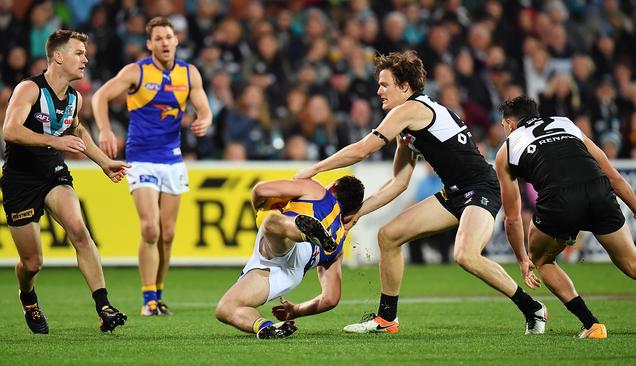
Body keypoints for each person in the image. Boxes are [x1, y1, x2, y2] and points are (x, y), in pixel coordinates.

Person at [295, 50, 546, 335]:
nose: (378, 91)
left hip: (480, 189)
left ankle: (533, 308)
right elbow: (398, 183)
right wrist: (357, 213)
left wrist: (313, 170)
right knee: (388, 236)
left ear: (405, 87)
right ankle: (386, 319)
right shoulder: (407, 124)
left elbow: (363, 149)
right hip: (455, 193)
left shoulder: (411, 110)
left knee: (465, 255)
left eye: (384, 84)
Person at [1, 30, 129, 333]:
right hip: (20, 179)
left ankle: (104, 306)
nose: (85, 58)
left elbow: (78, 131)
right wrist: (53, 142)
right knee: (32, 263)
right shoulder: (29, 89)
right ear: (58, 57)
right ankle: (28, 296)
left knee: (79, 231)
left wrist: (104, 163)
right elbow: (10, 130)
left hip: (53, 173)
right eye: (78, 53)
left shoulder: (75, 97)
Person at [495, 95, 636, 339]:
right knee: (633, 262)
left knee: (542, 260)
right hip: (598, 190)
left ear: (511, 125)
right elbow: (613, 176)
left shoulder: (507, 149)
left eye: (504, 126)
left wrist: (523, 259)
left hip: (560, 199)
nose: (505, 131)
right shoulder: (566, 124)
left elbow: (512, 218)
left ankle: (592, 325)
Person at [92, 16, 212, 316]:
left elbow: (204, 108)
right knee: (150, 228)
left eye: (168, 37)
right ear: (150, 44)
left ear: (176, 40)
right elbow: (100, 96)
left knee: (168, 233)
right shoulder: (137, 71)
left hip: (172, 159)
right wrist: (105, 130)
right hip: (141, 157)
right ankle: (147, 300)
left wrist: (204, 121)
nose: (164, 42)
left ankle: (158, 295)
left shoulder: (189, 73)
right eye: (158, 38)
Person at [215, 175, 365, 339]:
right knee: (225, 308)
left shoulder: (316, 190)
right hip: (291, 272)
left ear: (334, 187)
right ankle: (266, 327)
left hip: (291, 245)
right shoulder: (339, 242)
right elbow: (330, 299)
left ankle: (302, 231)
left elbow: (260, 190)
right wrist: (296, 310)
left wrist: (258, 207)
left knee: (271, 222)